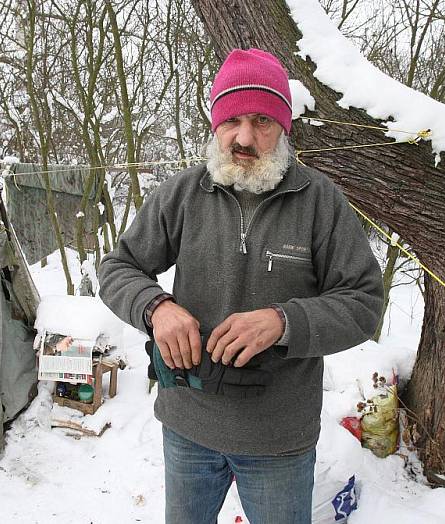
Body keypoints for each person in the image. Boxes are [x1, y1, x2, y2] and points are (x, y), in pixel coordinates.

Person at [98, 48, 383, 524]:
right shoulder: (183, 193)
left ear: (284, 127)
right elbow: (118, 267)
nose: (244, 138)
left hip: (278, 439)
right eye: (232, 120)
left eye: (262, 121)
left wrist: (284, 321)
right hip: (188, 426)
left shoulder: (320, 202)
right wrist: (156, 308)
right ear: (215, 125)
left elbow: (364, 303)